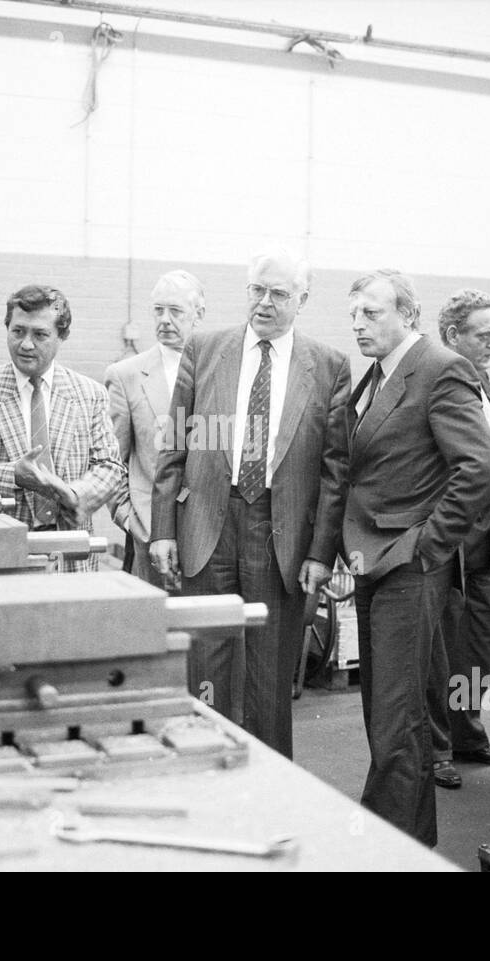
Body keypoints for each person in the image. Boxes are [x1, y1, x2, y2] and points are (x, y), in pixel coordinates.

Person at [149, 246, 350, 759]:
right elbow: (172, 443)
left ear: (301, 300)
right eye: (256, 290)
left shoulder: (328, 367)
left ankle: (270, 786)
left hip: (278, 535)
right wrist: (164, 530)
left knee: (269, 678)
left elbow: (335, 471)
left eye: (279, 293)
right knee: (205, 671)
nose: (264, 303)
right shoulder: (205, 348)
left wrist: (320, 553)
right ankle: (202, 769)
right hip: (207, 525)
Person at [342, 269, 490, 847]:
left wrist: (427, 545)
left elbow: (481, 467)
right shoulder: (377, 377)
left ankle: (384, 842)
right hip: (376, 562)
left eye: (372, 313)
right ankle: (406, 843)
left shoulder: (438, 367)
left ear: (407, 315)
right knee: (390, 715)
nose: (359, 324)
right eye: (354, 314)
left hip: (408, 564)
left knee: (395, 715)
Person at [0, 285, 123, 572]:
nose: (25, 344)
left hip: (71, 559)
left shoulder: (90, 394)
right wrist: (13, 475)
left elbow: (109, 466)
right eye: (18, 331)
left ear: (63, 336)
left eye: (40, 334)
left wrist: (75, 494)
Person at [424, 289, 490, 791]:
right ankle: (436, 749)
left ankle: (466, 734)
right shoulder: (439, 382)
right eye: (485, 335)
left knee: (478, 651)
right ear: (454, 336)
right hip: (454, 545)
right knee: (440, 656)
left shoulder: (479, 384)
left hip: (489, 548)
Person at [105, 270, 205, 587]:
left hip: (209, 538)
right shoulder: (126, 375)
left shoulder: (219, 371)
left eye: (175, 311)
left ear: (198, 315)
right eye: (158, 310)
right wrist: (129, 519)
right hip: (149, 537)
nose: (164, 320)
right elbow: (110, 462)